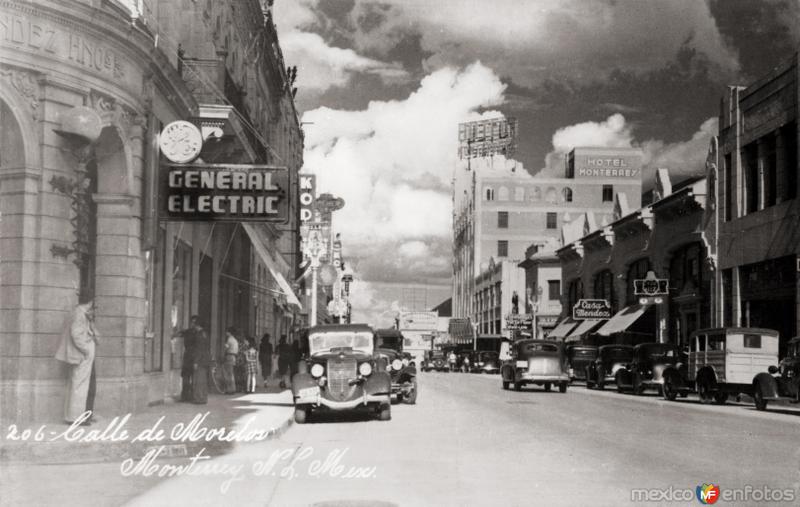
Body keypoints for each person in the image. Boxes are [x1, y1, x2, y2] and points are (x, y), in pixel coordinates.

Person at [54, 297, 99, 425]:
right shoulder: (80, 313)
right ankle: (76, 418)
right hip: (81, 354)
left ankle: (73, 416)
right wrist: (86, 350)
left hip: (79, 354)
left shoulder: (77, 311)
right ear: (89, 301)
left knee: (77, 384)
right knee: (79, 385)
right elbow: (76, 334)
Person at [177, 316, 200, 402]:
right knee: (189, 377)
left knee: (188, 376)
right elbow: (180, 333)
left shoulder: (192, 332)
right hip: (191, 356)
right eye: (192, 322)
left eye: (193, 322)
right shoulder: (195, 332)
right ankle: (189, 396)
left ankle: (187, 396)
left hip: (190, 356)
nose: (192, 324)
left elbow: (179, 334)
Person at [191, 320, 210, 404]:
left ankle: (198, 398)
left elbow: (199, 349)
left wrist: (196, 361)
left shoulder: (198, 335)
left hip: (200, 361)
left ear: (197, 325)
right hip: (205, 360)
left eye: (194, 324)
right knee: (203, 380)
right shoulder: (205, 334)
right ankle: (203, 398)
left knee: (198, 380)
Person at [223, 327, 239, 394]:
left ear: (229, 332)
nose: (226, 333)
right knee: (231, 373)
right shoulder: (235, 340)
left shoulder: (229, 339)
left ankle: (229, 389)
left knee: (227, 373)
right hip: (234, 356)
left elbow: (226, 348)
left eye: (227, 331)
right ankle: (233, 389)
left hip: (229, 356)